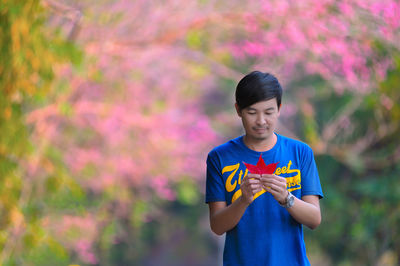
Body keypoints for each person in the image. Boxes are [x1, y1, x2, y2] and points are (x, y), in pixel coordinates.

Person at [205, 71, 323, 266]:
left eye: (268, 112)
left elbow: (314, 219)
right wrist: (243, 200)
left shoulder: (300, 152)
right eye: (252, 112)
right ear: (238, 110)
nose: (261, 121)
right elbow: (217, 226)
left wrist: (287, 198)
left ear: (279, 109)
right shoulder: (219, 157)